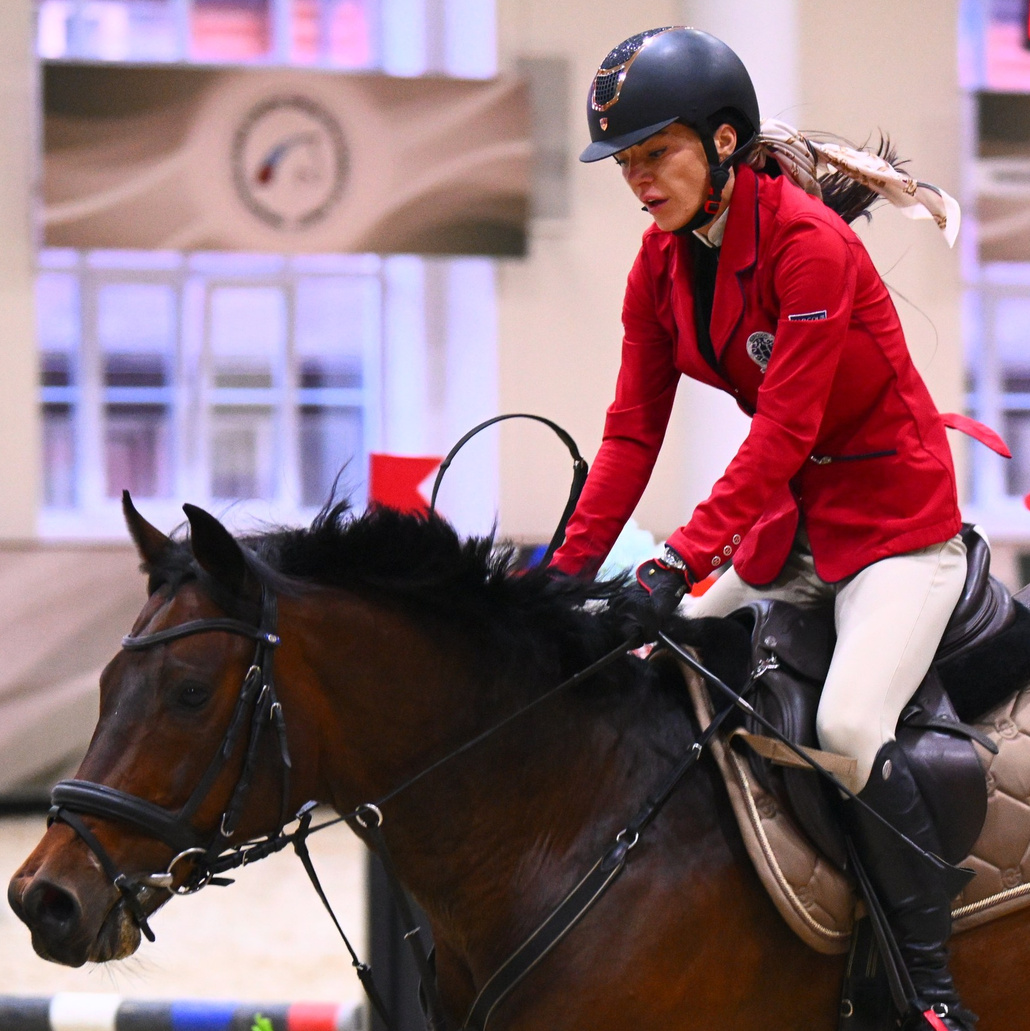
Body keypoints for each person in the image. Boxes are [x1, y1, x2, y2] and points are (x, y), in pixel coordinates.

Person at [548, 26, 990, 1031]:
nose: (638, 181)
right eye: (626, 163)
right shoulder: (658, 267)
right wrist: (563, 576)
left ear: (723, 140)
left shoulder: (808, 245)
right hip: (791, 531)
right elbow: (628, 432)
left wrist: (671, 560)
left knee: (845, 726)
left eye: (654, 154)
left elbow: (785, 431)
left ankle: (925, 985)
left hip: (894, 529)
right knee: (672, 670)